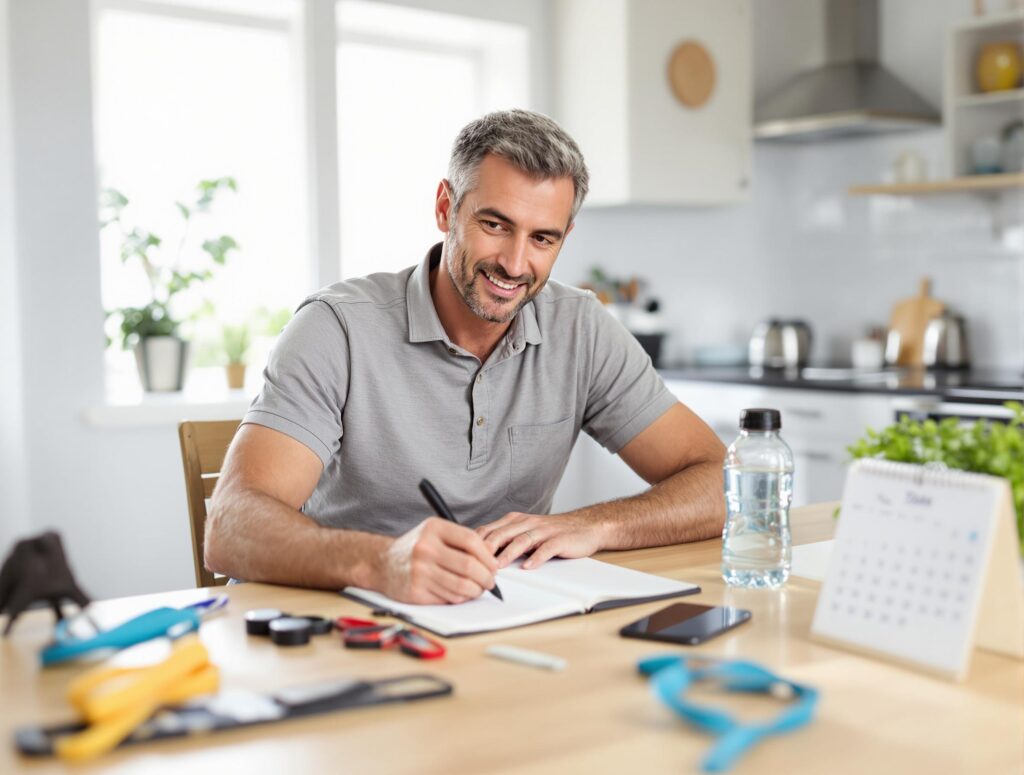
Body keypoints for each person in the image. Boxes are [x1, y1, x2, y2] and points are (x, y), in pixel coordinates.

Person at [205, 109, 726, 604]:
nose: (515, 264)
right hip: (343, 619)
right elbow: (229, 527)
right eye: (495, 225)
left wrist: (595, 524)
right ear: (445, 208)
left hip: (498, 615)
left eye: (542, 238)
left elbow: (722, 483)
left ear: (565, 238)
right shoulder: (336, 328)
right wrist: (381, 562)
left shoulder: (581, 328)